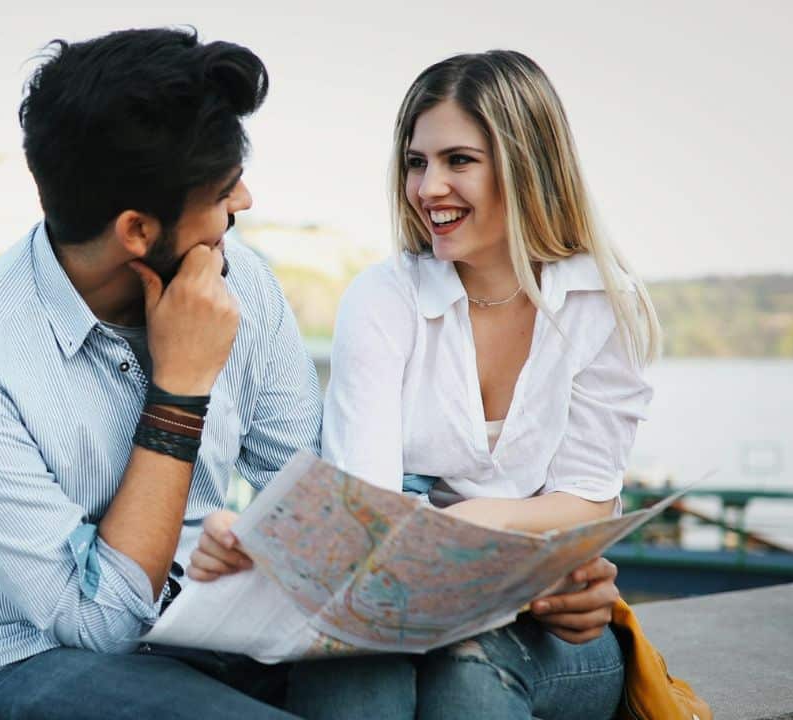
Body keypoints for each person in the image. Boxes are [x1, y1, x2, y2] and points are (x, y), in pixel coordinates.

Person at [0, 31, 624, 720]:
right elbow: (95, 621)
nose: (244, 204)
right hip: (36, 662)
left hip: (216, 630)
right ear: (137, 231)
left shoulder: (242, 282)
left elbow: (328, 501)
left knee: (369, 681)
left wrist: (527, 571)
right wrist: (179, 391)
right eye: (224, 193)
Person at [195, 50, 660, 719]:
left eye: (458, 161)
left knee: (468, 677)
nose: (428, 187)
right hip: (406, 602)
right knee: (353, 678)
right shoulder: (383, 300)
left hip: (549, 620)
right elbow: (367, 504)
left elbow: (588, 501)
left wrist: (474, 523)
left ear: (527, 165)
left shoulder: (601, 304)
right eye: (417, 163)